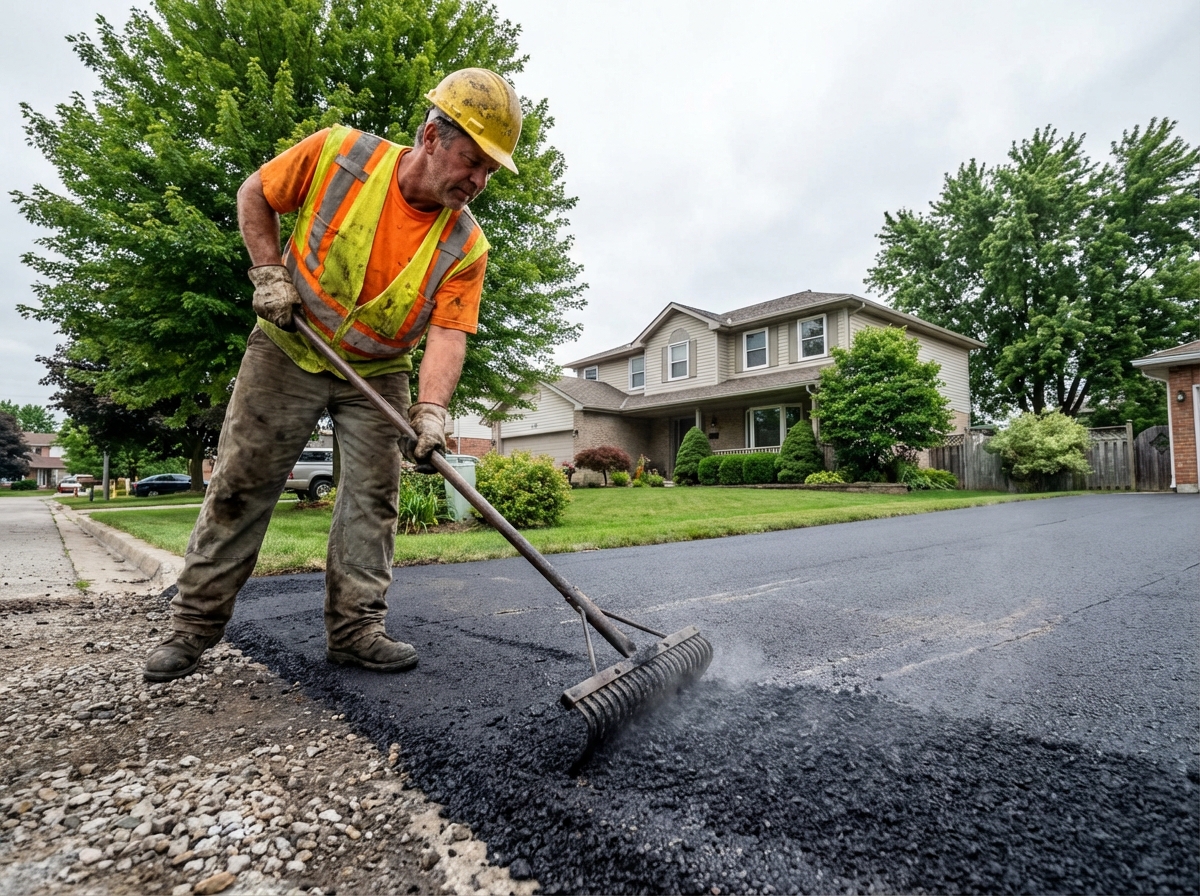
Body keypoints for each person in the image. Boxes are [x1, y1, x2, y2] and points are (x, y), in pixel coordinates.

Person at [143, 68, 522, 683]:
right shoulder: (340, 154)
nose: (478, 181)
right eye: (472, 160)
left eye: (488, 171)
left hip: (378, 367)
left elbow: (448, 334)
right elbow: (254, 194)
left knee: (373, 500)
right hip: (286, 345)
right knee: (242, 484)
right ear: (431, 136)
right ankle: (192, 627)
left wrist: (431, 411)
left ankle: (354, 631)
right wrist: (269, 274)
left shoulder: (466, 247)